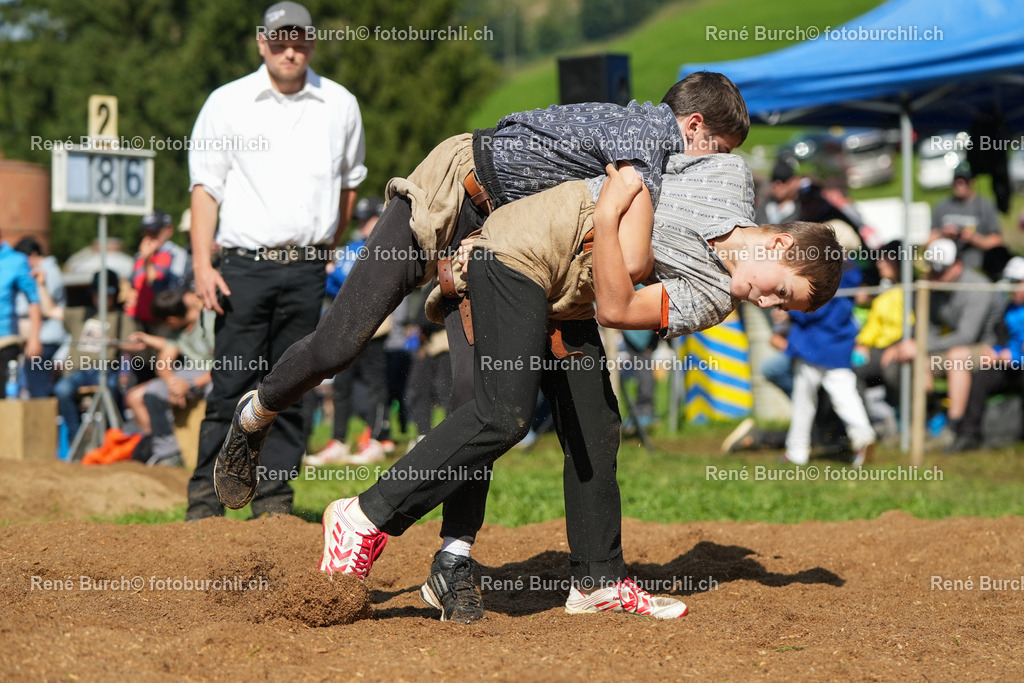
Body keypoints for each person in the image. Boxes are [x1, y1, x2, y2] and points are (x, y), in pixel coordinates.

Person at [214, 70, 750, 513]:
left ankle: (454, 557)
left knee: (482, 404)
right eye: (717, 149)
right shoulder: (649, 134)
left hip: (497, 244)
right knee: (339, 344)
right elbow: (632, 257)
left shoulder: (654, 147)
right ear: (694, 124)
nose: (715, 164)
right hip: (455, 190)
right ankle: (255, 412)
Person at [186, 0, 367, 519]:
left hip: (307, 267)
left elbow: (349, 185)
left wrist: (327, 249)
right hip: (242, 267)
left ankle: (274, 501)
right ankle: (204, 502)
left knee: (292, 384)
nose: (291, 50)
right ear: (261, 42)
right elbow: (206, 189)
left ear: (312, 41)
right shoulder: (227, 102)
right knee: (231, 382)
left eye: (301, 40)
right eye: (280, 40)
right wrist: (203, 265)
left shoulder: (340, 105)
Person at [880, 238, 1003, 445]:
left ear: (957, 266)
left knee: (956, 358)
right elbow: (928, 329)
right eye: (933, 270)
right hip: (951, 347)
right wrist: (906, 346)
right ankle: (920, 424)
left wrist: (920, 348)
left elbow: (966, 337)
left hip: (989, 348)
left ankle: (953, 429)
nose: (935, 275)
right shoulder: (935, 285)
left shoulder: (977, 288)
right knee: (910, 360)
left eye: (941, 270)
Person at [307, 197, 392, 466]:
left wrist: (338, 275)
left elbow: (357, 280)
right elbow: (333, 286)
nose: (363, 225)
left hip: (375, 329)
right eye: (361, 220)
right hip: (345, 328)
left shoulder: (389, 249)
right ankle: (339, 441)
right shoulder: (352, 248)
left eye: (368, 219)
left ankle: (377, 439)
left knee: (374, 385)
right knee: (341, 386)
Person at [782, 257, 876, 467]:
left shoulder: (823, 272)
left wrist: (787, 308)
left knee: (804, 403)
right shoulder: (851, 273)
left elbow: (812, 309)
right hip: (840, 346)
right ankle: (863, 436)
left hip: (813, 346)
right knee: (846, 398)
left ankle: (796, 452)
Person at [125, 288, 214, 466]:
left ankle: (216, 452)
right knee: (152, 392)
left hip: (214, 375)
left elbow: (224, 364)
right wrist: (173, 384)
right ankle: (168, 454)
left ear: (171, 319)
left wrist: (191, 385)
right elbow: (163, 363)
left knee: (216, 395)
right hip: (188, 374)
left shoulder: (208, 322)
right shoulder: (177, 331)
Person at [946, 256, 1024, 453]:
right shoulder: (1008, 310)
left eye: (1018, 283)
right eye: (1011, 283)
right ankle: (968, 433)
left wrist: (1014, 358)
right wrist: (995, 353)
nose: (1013, 288)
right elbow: (1002, 342)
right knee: (983, 375)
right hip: (1009, 368)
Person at [55, 271, 138, 439]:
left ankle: (113, 436)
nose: (101, 297)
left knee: (112, 388)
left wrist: (114, 342)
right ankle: (77, 438)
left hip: (106, 370)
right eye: (97, 293)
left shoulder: (122, 318)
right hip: (78, 371)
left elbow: (136, 346)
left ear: (114, 294)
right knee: (61, 389)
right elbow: (50, 310)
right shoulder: (81, 314)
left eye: (106, 294)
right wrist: (41, 284)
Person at [13, 237, 66, 397]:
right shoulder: (46, 270)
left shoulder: (48, 272)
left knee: (38, 392)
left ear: (33, 255)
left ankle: (43, 421)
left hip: (46, 340)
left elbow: (42, 305)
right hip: (42, 339)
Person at [930, 162, 1003, 276]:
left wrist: (972, 237)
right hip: (945, 269)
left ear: (972, 182)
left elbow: (997, 240)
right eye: (957, 181)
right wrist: (943, 234)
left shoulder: (985, 206)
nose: (960, 184)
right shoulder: (942, 206)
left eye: (964, 181)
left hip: (976, 268)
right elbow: (928, 240)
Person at [124, 210, 191, 328]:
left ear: (169, 230)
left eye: (154, 232)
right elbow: (133, 286)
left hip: (162, 321)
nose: (149, 237)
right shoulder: (139, 256)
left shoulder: (177, 255)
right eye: (146, 232)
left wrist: (147, 261)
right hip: (138, 319)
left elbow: (171, 291)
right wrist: (130, 295)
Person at [0, 232, 41, 396]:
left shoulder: (16, 261)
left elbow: (34, 300)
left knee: (4, 395)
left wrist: (35, 337)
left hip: (5, 340)